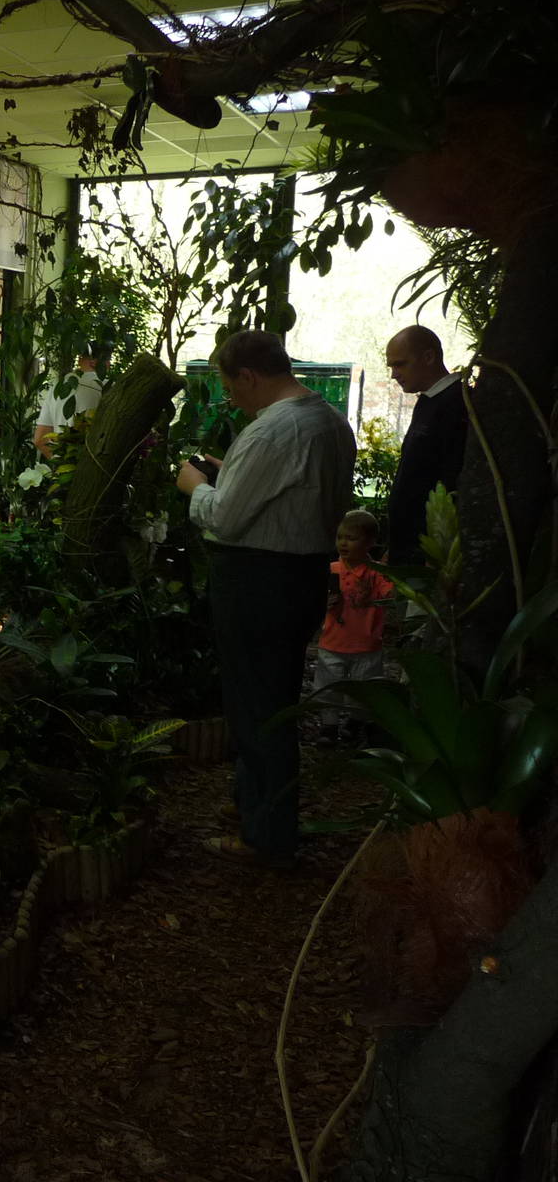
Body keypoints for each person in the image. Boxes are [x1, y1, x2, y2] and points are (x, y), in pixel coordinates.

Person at [176, 331, 356, 868]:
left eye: (231, 387)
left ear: (249, 376)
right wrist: (227, 473)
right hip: (299, 574)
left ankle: (267, 836)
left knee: (258, 706)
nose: (231, 399)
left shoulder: (274, 431)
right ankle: (254, 806)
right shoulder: (328, 420)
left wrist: (195, 486)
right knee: (269, 698)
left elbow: (227, 517)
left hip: (258, 579)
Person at [385, 325, 466, 564]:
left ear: (428, 357)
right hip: (413, 547)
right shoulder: (429, 401)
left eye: (400, 364)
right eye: (392, 366)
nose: (394, 374)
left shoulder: (456, 403)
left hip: (432, 553)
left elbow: (453, 477)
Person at [313, 509, 394, 743]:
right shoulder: (331, 570)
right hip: (332, 642)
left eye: (352, 538)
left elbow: (390, 596)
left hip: (366, 645)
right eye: (340, 537)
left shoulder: (377, 573)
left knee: (364, 690)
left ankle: (355, 722)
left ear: (370, 543)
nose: (344, 543)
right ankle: (328, 727)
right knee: (328, 687)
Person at [32, 347, 104, 458]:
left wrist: (60, 462)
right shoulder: (105, 386)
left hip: (63, 467)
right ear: (94, 362)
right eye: (108, 362)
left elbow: (40, 439)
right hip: (94, 463)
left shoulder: (58, 386)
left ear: (80, 359)